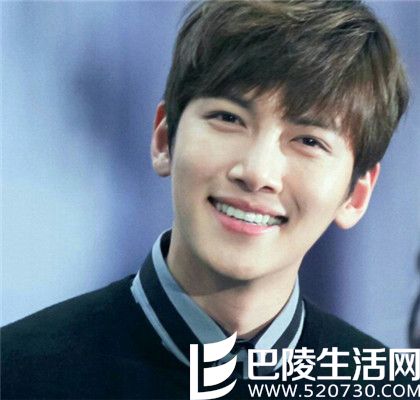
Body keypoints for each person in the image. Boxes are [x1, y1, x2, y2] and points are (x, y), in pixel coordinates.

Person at [2, 1, 417, 399]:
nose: (257, 172)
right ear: (164, 139)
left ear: (356, 194)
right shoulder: (19, 373)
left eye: (309, 141)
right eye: (228, 118)